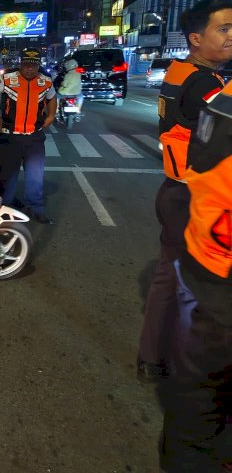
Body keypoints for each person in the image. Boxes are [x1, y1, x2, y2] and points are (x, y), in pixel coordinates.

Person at [137, 0, 230, 383]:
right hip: (191, 194)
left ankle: (155, 357)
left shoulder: (180, 71)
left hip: (175, 187)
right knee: (195, 283)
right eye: (223, 29)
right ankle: (176, 363)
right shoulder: (206, 84)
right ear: (195, 38)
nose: (231, 37)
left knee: (170, 277)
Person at [161, 78, 232, 471]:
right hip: (217, 280)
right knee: (198, 405)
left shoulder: (222, 95)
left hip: (207, 266)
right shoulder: (211, 89)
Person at [0, 48, 56, 225]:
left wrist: (51, 115)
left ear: (38, 65)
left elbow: (52, 97)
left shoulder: (45, 82)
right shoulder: (8, 79)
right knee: (7, 175)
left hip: (34, 137)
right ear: (21, 64)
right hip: (10, 137)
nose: (30, 68)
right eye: (26, 64)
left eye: (34, 65)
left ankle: (36, 208)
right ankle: (3, 208)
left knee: (35, 175)